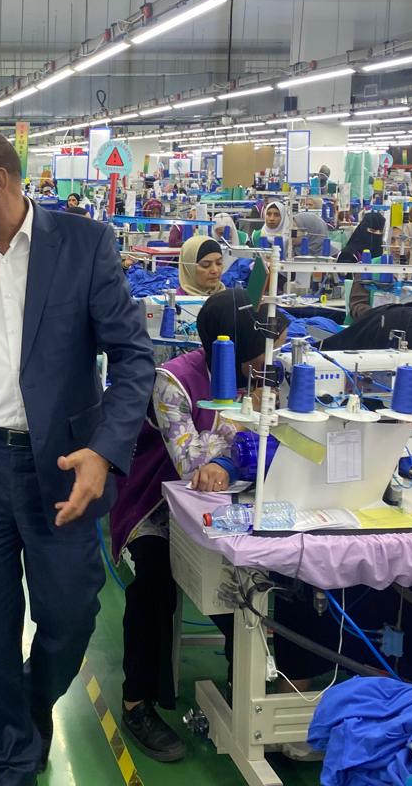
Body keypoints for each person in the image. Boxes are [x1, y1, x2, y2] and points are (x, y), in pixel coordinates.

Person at [0, 129, 155, 784]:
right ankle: (11, 764)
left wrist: (105, 451)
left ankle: (30, 702)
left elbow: (133, 358)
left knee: (71, 616)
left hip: (66, 469)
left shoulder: (84, 245)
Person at [108, 289, 286, 762]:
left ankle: (247, 681)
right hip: (153, 503)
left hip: (230, 501)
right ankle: (137, 701)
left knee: (258, 574)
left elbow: (280, 434)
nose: (266, 364)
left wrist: (232, 454)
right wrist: (240, 432)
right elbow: (187, 461)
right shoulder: (173, 381)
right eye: (257, 356)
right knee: (153, 582)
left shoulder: (263, 376)